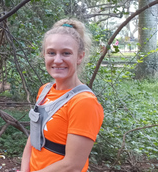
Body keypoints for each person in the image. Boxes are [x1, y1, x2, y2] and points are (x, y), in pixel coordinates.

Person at [20, 19, 104, 172]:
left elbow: (72, 165)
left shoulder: (84, 103)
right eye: (51, 53)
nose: (57, 60)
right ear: (44, 55)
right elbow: (33, 139)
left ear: (79, 57)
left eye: (66, 53)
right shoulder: (44, 90)